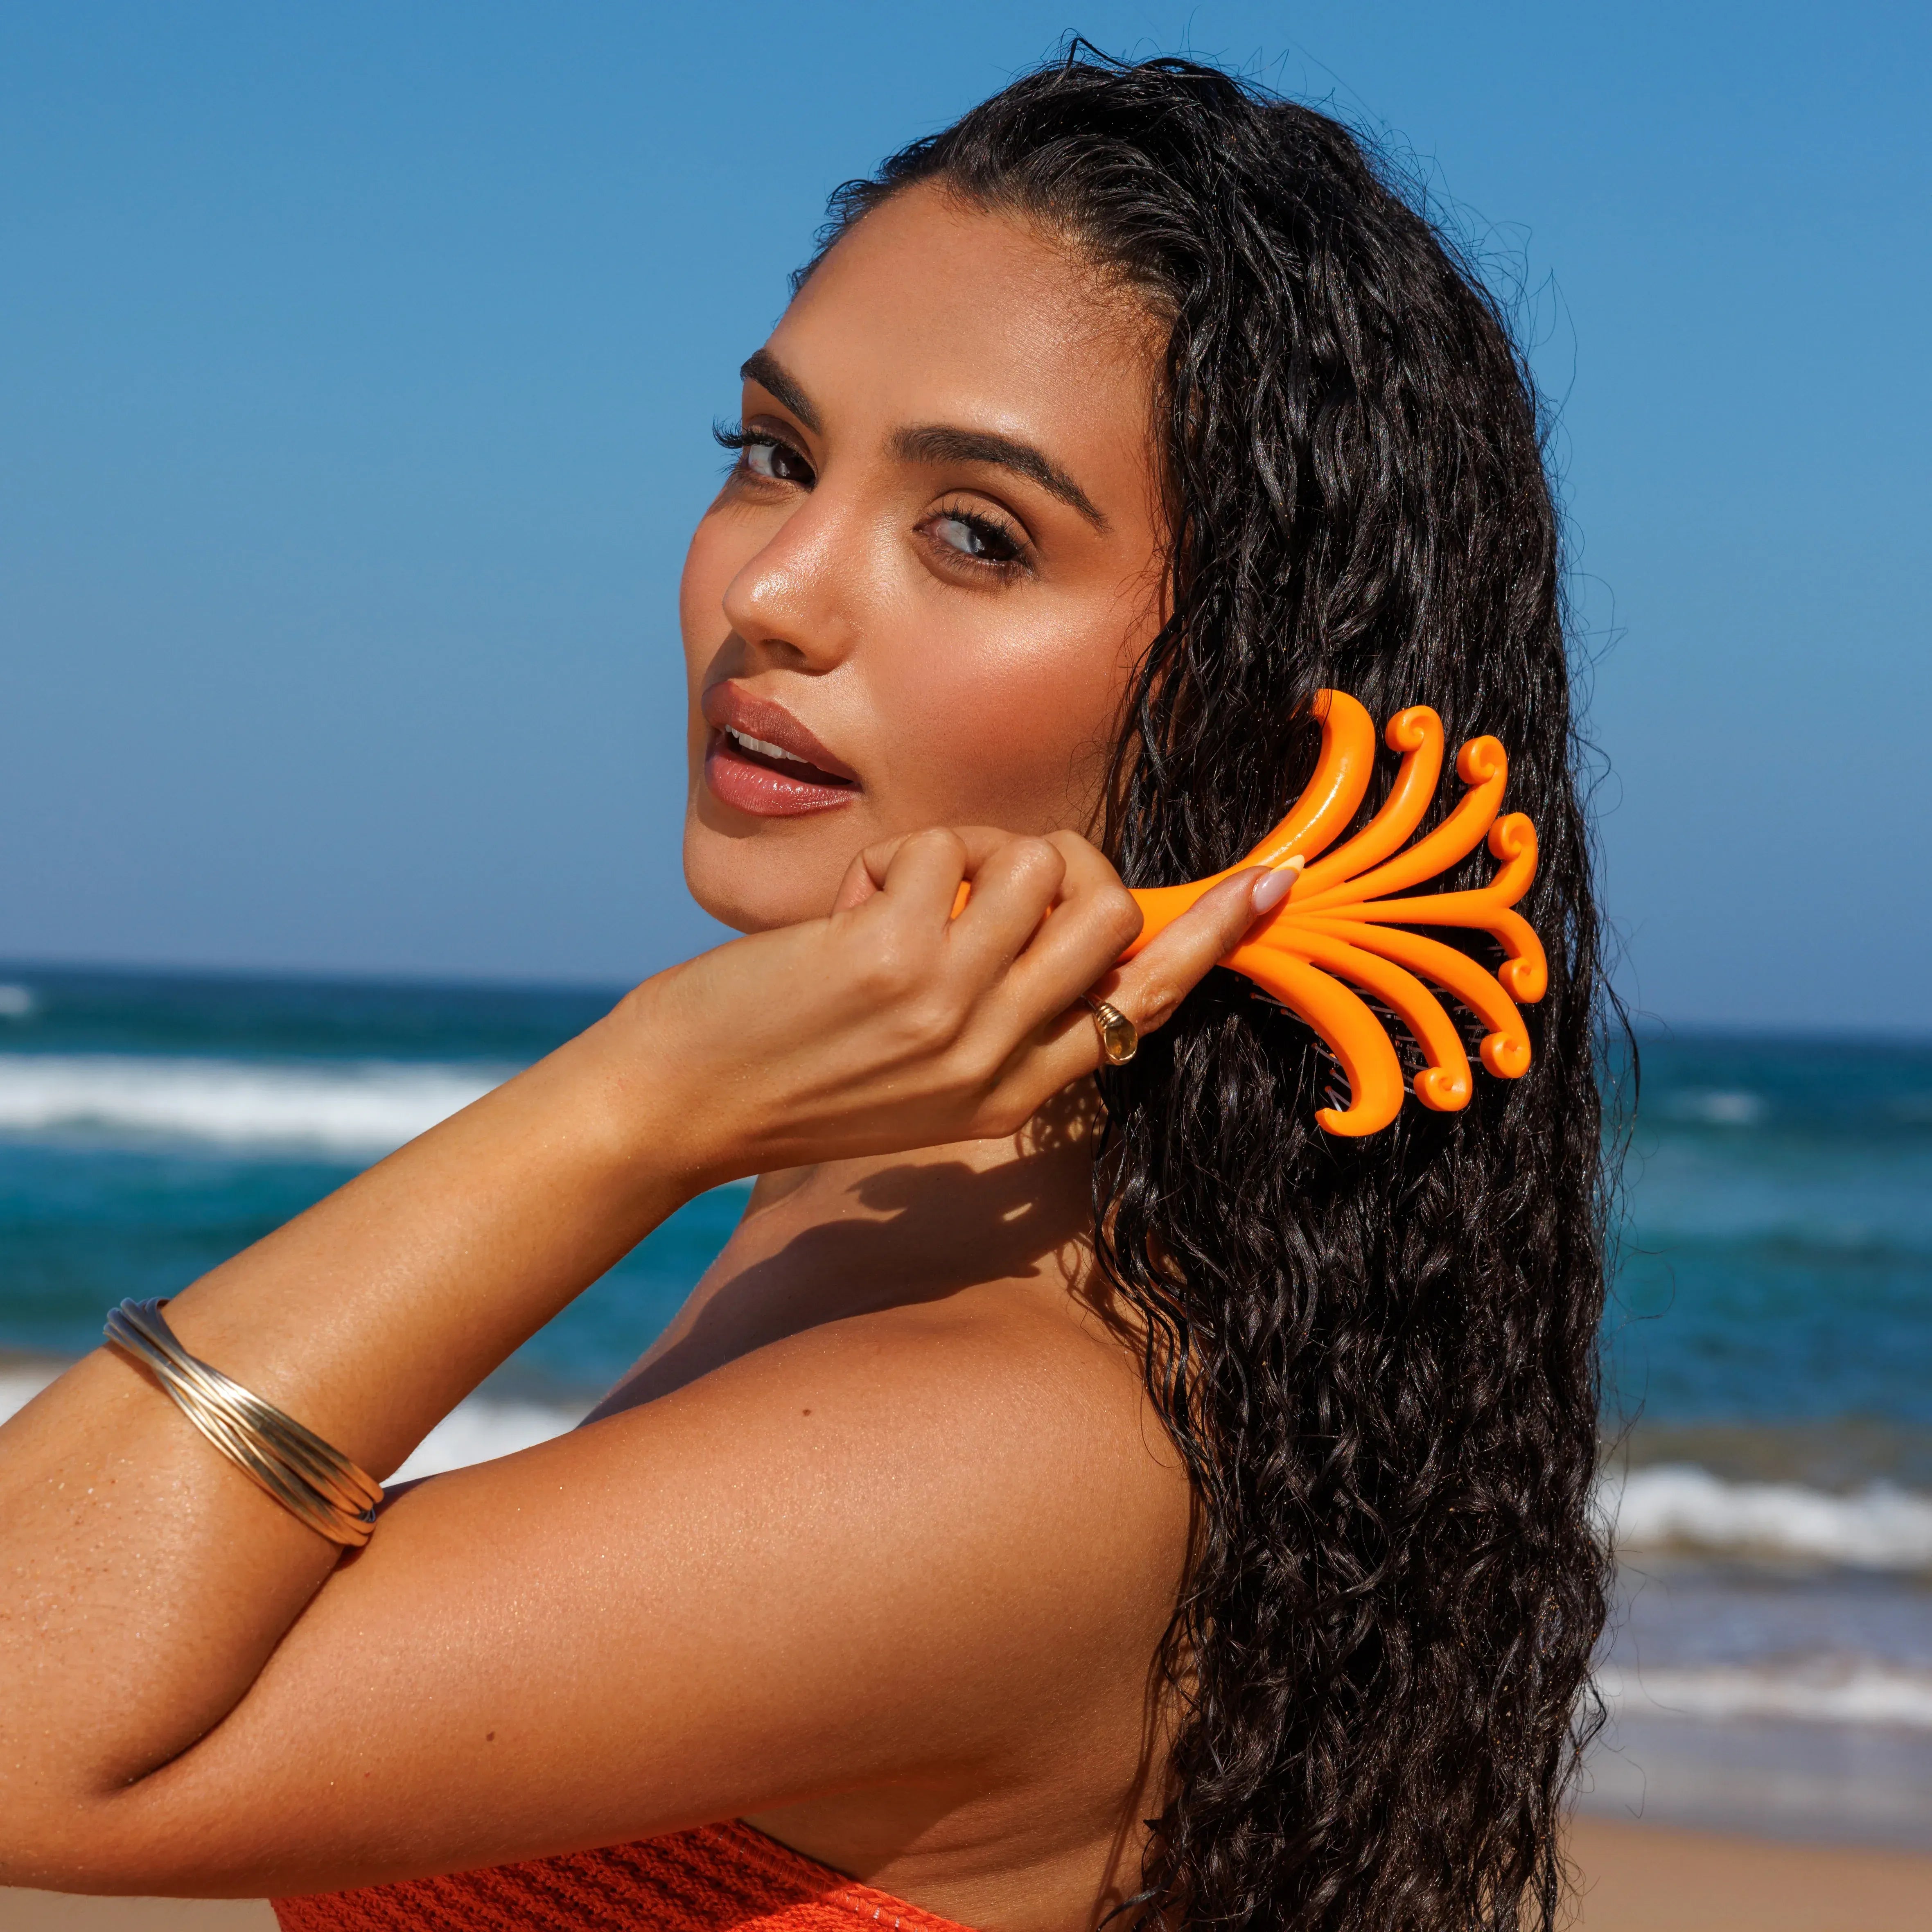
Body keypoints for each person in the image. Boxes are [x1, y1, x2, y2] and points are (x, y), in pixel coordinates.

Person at [0, 51, 1610, 1932]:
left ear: (1258, 715)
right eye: (775, 452)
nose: (773, 586)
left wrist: (644, 1094)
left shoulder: (1014, 1441)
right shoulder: (890, 1186)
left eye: (976, 533)